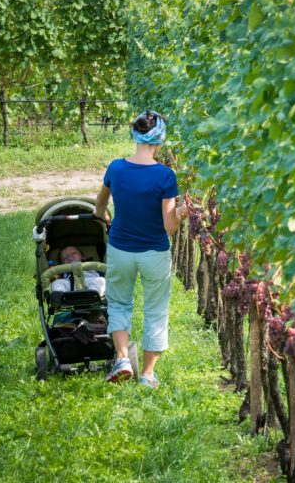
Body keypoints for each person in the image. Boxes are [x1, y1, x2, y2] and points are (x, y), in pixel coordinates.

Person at [94, 110, 188, 388]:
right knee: (155, 310)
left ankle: (122, 359)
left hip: (120, 250)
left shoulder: (116, 168)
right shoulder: (165, 175)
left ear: (135, 136)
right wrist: (183, 212)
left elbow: (99, 206)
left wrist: (105, 216)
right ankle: (147, 375)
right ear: (160, 141)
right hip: (154, 254)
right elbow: (169, 225)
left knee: (120, 303)